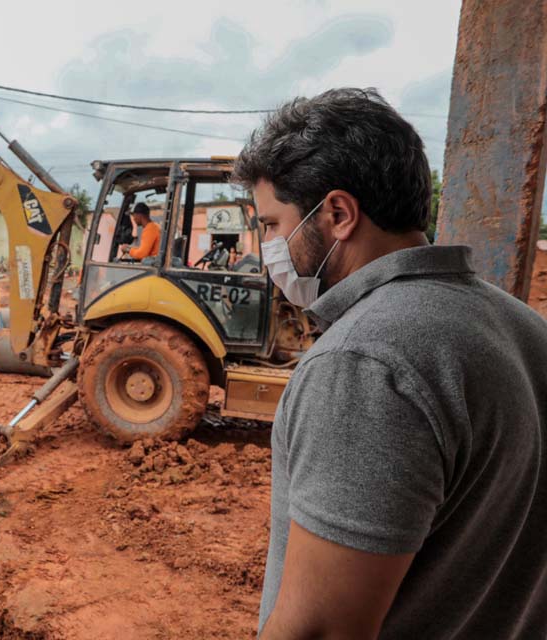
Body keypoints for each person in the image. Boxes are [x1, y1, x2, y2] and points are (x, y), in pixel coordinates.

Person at [234, 87, 547, 639]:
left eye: (271, 225)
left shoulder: (363, 364)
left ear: (337, 214)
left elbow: (321, 630)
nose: (267, 247)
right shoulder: (521, 325)